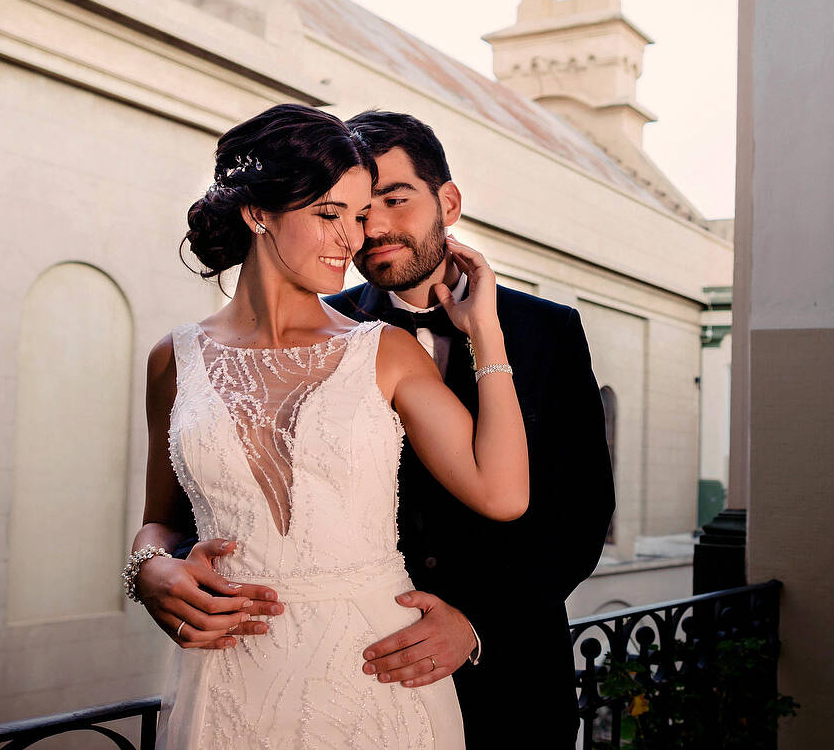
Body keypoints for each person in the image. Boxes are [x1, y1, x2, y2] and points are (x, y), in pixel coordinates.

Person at [128, 103, 528, 749]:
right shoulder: (175, 358)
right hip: (232, 674)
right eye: (328, 214)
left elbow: (502, 494)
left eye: (358, 214)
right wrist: (149, 570)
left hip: (375, 671)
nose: (354, 238)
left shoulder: (384, 350)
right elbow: (161, 521)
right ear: (258, 213)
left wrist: (485, 333)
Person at [323, 111, 615, 748]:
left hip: (511, 682)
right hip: (363, 671)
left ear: (446, 202)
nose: (372, 227)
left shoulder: (548, 332)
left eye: (394, 200)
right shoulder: (320, 330)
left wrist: (476, 623)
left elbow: (582, 514)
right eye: (354, 209)